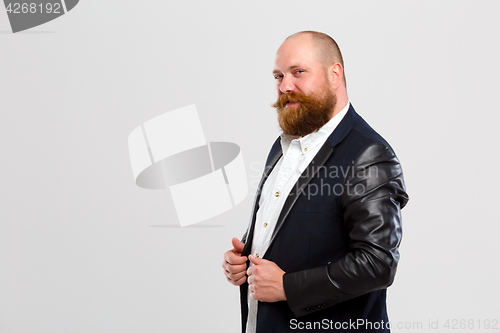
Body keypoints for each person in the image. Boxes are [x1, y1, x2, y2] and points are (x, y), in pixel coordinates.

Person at [222, 31, 409, 333]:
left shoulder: (369, 154)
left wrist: (287, 286)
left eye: (298, 72)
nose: (285, 86)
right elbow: (294, 231)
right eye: (278, 76)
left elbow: (377, 264)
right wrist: (245, 259)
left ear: (335, 74)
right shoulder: (284, 146)